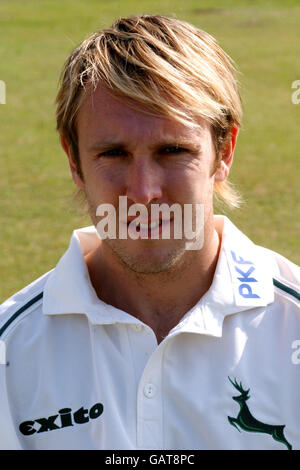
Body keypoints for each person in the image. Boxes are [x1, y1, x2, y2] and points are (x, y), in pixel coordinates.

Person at [0, 14, 299, 451]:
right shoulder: (11, 354)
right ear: (74, 160)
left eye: (173, 150)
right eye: (113, 153)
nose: (142, 193)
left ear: (224, 151)